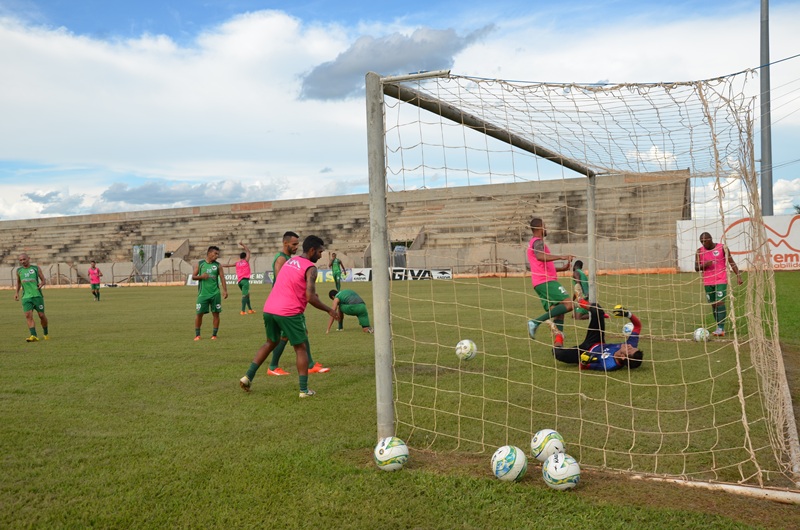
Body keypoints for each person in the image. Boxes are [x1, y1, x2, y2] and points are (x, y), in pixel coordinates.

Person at [239, 235, 339, 397]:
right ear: (312, 250)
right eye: (320, 252)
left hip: (269, 308)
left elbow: (290, 284)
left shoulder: (290, 261)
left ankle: (247, 377)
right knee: (301, 348)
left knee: (270, 342)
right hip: (289, 311)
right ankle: (304, 390)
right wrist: (330, 310)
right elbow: (310, 297)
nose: (321, 256)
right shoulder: (311, 268)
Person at [267, 231, 329, 375]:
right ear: (285, 243)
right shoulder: (281, 259)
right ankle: (273, 367)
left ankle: (309, 364)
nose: (296, 247)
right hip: (285, 304)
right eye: (294, 244)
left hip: (288, 303)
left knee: (299, 332)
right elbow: (283, 282)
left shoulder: (290, 259)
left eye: (297, 244)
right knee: (286, 336)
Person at [553, 299, 644, 371]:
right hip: (596, 341)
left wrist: (585, 361)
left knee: (558, 353)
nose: (629, 346)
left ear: (623, 357)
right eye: (632, 347)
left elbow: (584, 367)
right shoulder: (631, 345)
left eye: (629, 349)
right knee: (597, 310)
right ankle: (580, 300)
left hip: (584, 352)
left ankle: (559, 335)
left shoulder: (608, 365)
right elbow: (637, 326)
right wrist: (628, 314)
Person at [526, 217, 574, 346]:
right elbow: (540, 257)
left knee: (559, 313)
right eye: (544, 226)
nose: (546, 228)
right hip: (545, 281)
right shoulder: (538, 242)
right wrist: (561, 256)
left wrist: (562, 268)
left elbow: (543, 266)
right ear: (540, 227)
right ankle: (535, 322)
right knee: (569, 304)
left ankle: (559, 345)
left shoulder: (533, 243)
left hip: (540, 282)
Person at [695, 232, 743, 337]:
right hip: (708, 281)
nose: (703, 243)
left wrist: (738, 275)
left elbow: (731, 262)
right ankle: (719, 326)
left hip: (721, 279)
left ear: (710, 239)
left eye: (705, 241)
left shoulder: (722, 248)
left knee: (719, 303)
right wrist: (705, 265)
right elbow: (696, 268)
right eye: (701, 241)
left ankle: (721, 328)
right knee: (713, 304)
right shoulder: (699, 251)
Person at [192, 246, 228, 340]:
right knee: (199, 314)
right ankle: (197, 335)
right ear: (209, 253)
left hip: (215, 294)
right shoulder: (200, 264)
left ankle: (214, 335)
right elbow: (193, 277)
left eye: (218, 254)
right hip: (202, 294)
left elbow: (222, 278)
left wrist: (225, 290)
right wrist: (202, 277)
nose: (217, 256)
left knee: (216, 314)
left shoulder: (218, 265)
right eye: (215, 253)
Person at [14, 253, 49, 342]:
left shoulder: (36, 268)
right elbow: (18, 282)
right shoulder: (19, 271)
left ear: (28, 258)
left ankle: (45, 333)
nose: (23, 261)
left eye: (24, 259)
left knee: (41, 315)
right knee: (28, 315)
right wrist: (16, 292)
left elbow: (43, 280)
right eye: (21, 260)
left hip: (37, 296)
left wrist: (41, 284)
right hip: (26, 297)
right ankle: (33, 335)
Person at [233, 242, 256, 315]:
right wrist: (242, 245)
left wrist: (220, 265)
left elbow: (228, 265)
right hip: (245, 281)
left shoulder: (237, 263)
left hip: (239, 282)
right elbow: (248, 251)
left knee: (247, 294)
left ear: (240, 257)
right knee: (245, 295)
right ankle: (242, 311)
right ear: (245, 256)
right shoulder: (246, 261)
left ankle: (250, 309)